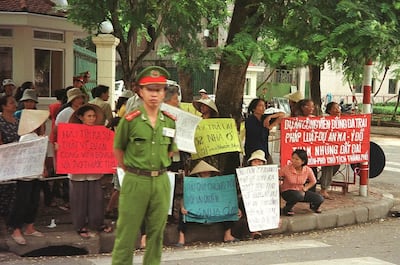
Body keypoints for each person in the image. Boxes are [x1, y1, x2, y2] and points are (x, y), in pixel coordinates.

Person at [111, 66, 178, 265]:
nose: (154, 94)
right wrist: (133, 170)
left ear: (164, 93)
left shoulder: (169, 121)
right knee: (127, 233)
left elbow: (170, 151)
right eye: (150, 89)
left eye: (159, 90)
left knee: (156, 235)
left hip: (161, 181)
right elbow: (118, 149)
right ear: (140, 91)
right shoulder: (130, 120)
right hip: (135, 180)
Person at [67, 104, 112, 238]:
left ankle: (97, 223)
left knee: (96, 199)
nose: (92, 119)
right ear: (81, 117)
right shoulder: (71, 132)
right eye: (89, 116)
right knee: (78, 200)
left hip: (94, 172)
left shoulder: (101, 133)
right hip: (77, 173)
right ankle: (80, 226)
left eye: (94, 116)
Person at [6, 107, 49, 245]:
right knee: (22, 202)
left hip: (35, 175)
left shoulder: (37, 137)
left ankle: (29, 226)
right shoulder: (27, 137)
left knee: (33, 201)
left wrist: (43, 167)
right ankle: (16, 229)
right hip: (25, 176)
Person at [176, 160, 241, 247]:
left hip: (214, 213)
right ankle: (181, 238)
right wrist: (182, 207)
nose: (205, 173)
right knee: (182, 214)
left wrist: (236, 208)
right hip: (196, 213)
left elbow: (226, 198)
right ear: (198, 173)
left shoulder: (216, 183)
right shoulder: (192, 185)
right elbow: (185, 198)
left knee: (227, 209)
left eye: (207, 171)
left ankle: (228, 235)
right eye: (203, 172)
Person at [279, 149, 324, 216]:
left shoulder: (307, 169)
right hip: (287, 191)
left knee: (319, 198)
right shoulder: (286, 169)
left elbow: (313, 181)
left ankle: (314, 207)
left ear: (303, 161)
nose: (293, 161)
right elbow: (277, 176)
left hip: (301, 190)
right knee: (297, 195)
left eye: (297, 159)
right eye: (293, 158)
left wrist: (305, 188)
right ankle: (287, 209)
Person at [244, 98, 284, 165]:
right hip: (253, 151)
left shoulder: (265, 118)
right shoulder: (250, 120)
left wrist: (270, 118)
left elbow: (282, 115)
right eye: (260, 106)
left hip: (265, 150)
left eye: (264, 106)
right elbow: (257, 133)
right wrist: (267, 129)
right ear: (254, 108)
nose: (263, 108)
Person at [320, 101, 341, 199]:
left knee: (336, 165)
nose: (338, 110)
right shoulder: (325, 120)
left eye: (338, 108)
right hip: (327, 148)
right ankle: (323, 188)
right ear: (329, 110)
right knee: (328, 166)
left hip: (337, 148)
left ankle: (323, 181)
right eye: (335, 108)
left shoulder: (341, 120)